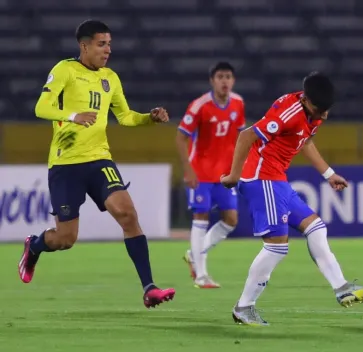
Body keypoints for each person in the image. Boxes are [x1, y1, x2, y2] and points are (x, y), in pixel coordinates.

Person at [18, 20, 175, 308]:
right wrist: (74, 115)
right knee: (65, 239)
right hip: (66, 164)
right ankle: (35, 246)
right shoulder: (65, 70)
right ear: (84, 46)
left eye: (109, 44)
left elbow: (125, 117)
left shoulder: (110, 78)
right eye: (102, 44)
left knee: (127, 214)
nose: (108, 50)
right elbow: (41, 108)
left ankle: (149, 287)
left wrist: (148, 118)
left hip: (99, 159)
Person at [221, 72, 363, 326]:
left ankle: (341, 288)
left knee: (316, 227)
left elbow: (304, 142)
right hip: (261, 178)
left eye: (327, 110)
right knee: (277, 246)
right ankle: (244, 307)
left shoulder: (312, 112)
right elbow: (246, 136)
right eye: (320, 110)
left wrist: (328, 173)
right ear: (305, 99)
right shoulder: (289, 113)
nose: (324, 116)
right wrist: (233, 176)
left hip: (277, 180)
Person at [175, 62, 245, 288]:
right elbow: (180, 137)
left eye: (228, 77)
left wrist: (238, 168)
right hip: (201, 173)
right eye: (220, 77)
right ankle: (202, 275)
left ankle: (193, 253)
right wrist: (188, 170)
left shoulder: (238, 103)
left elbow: (240, 137)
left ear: (233, 81)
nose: (225, 81)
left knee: (231, 220)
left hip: (224, 175)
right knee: (201, 217)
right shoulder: (199, 106)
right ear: (212, 81)